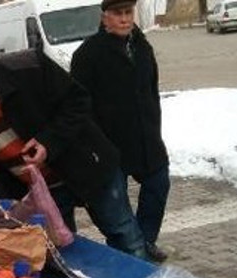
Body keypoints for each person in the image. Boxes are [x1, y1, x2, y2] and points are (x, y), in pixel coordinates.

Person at [0, 40, 146, 258]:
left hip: (88, 166)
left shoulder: (28, 68)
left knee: (125, 235)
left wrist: (48, 142)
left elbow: (78, 102)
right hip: (42, 194)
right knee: (64, 254)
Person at [71, 0, 170, 263]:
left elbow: (151, 91)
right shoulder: (88, 54)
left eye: (128, 13)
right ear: (105, 18)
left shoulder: (142, 46)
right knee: (117, 209)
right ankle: (129, 254)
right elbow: (78, 107)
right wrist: (93, 146)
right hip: (108, 145)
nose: (125, 19)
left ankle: (145, 241)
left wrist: (154, 128)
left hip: (145, 139)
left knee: (159, 185)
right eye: (118, 14)